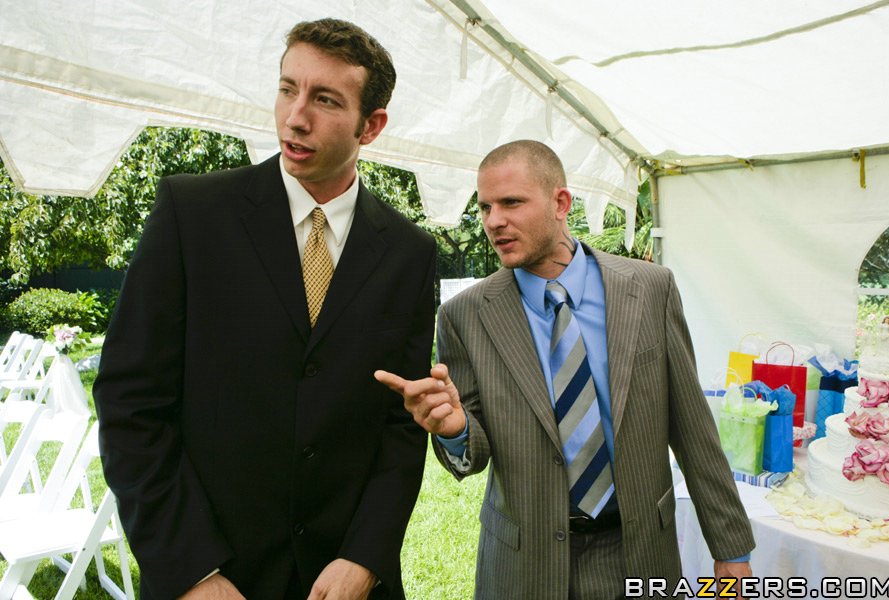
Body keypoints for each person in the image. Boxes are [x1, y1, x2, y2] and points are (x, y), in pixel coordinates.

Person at [94, 18, 436, 600]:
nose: (295, 117)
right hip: (210, 575)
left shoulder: (410, 252)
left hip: (344, 582)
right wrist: (192, 571)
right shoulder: (192, 214)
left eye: (325, 100)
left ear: (371, 126)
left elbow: (401, 422)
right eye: (287, 89)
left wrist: (365, 555)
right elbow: (131, 404)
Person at [376, 140, 754, 599]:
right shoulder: (465, 315)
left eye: (511, 202)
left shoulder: (650, 290)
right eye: (486, 207)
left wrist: (731, 550)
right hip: (524, 566)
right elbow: (472, 453)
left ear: (560, 203)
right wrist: (455, 429)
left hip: (638, 552)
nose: (494, 221)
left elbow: (694, 430)